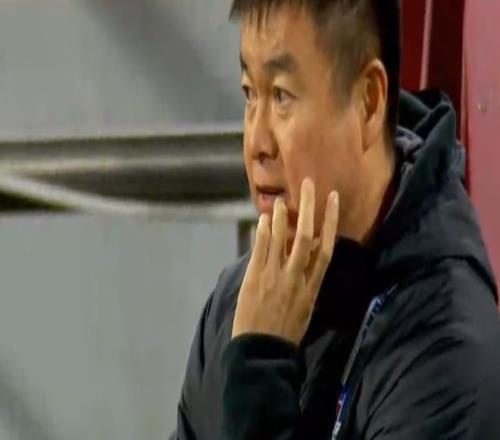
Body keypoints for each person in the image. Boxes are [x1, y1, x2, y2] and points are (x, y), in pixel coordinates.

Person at [171, 1, 500, 438]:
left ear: (368, 102)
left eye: (281, 96)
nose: (257, 143)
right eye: (250, 94)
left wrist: (258, 379)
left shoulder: (445, 350)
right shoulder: (239, 306)